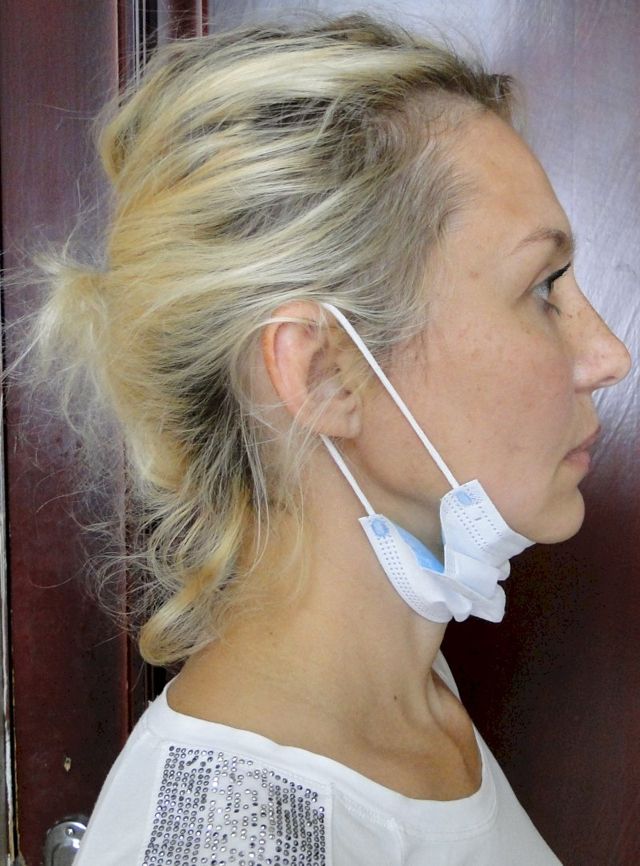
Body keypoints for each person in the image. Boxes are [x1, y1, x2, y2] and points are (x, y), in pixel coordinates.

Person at [25, 13, 630, 866]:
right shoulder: (231, 846)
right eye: (542, 286)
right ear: (324, 376)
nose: (608, 356)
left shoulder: (406, 690)